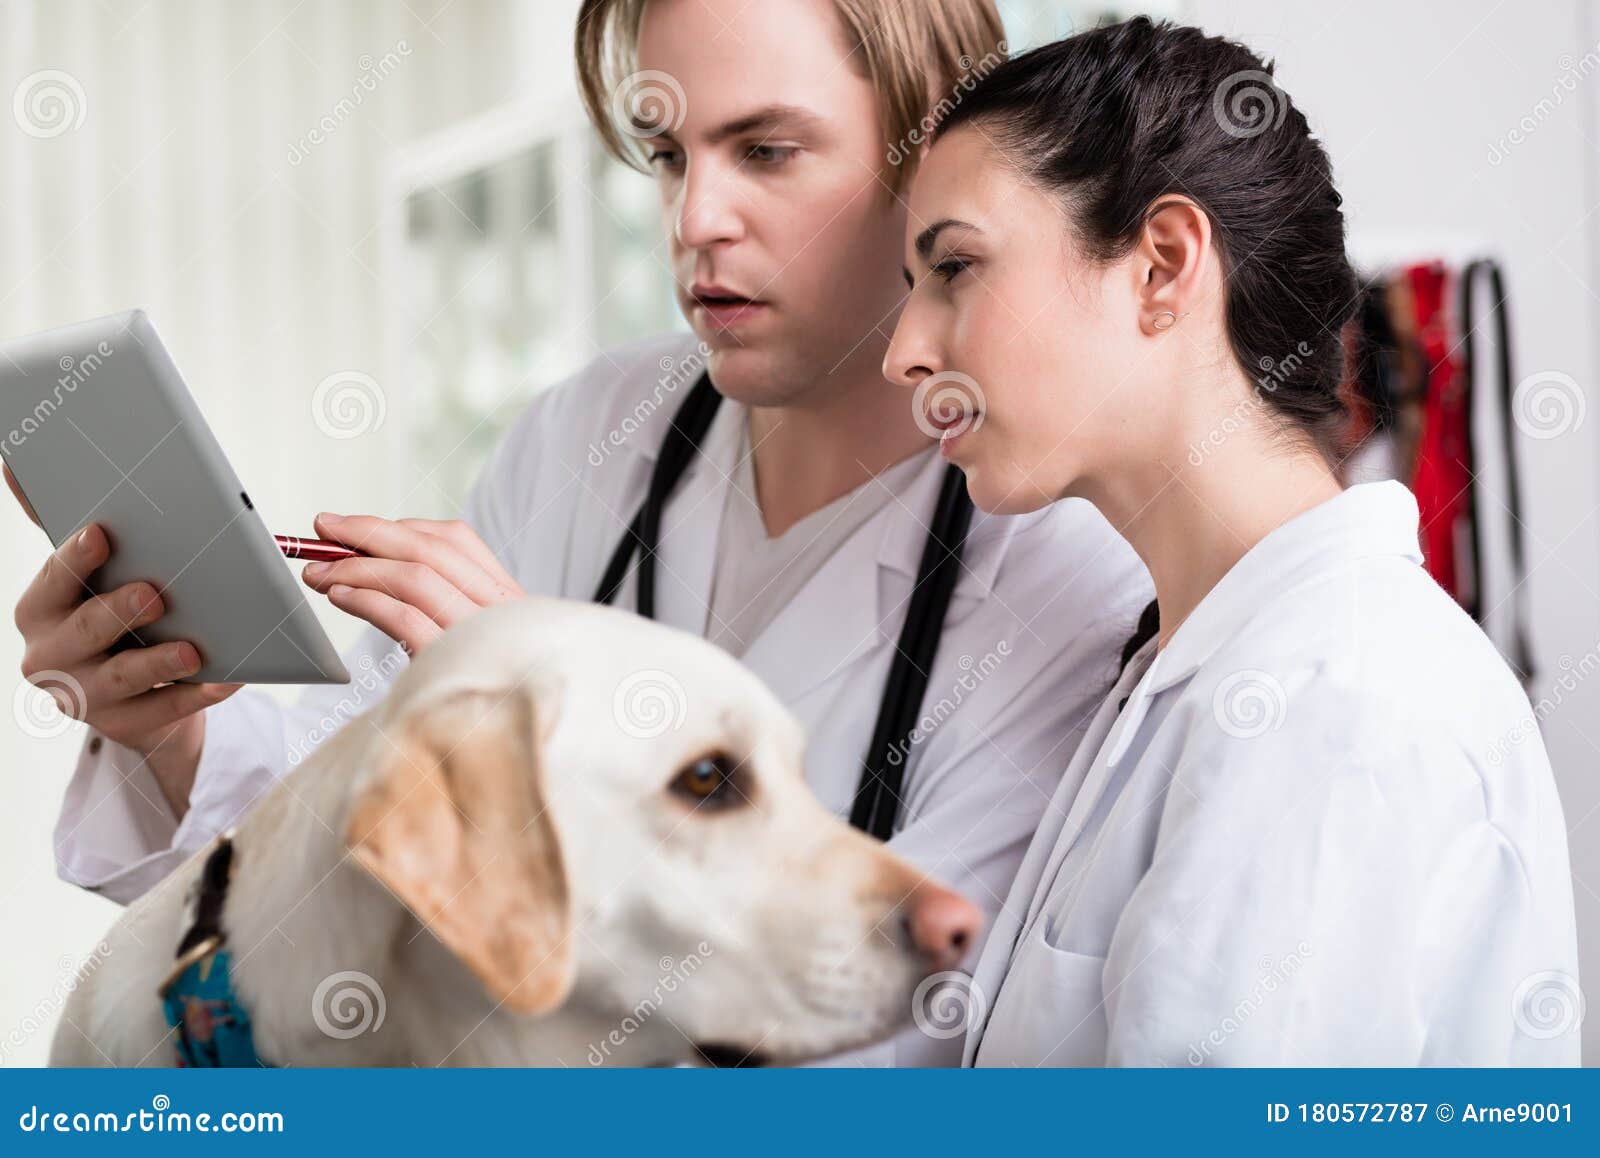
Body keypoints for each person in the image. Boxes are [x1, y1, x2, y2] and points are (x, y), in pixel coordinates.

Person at [13, 0, 1149, 1064]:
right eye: (668, 156)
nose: (695, 221)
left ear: (932, 160)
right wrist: (171, 727)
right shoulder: (594, 430)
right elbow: (344, 853)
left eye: (765, 151)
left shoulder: (1067, 569)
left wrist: (565, 716)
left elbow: (925, 1034)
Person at [886, 17, 1580, 1065]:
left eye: (955, 267)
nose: (902, 353)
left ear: (1162, 265)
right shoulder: (1210, 665)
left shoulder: (1330, 705)